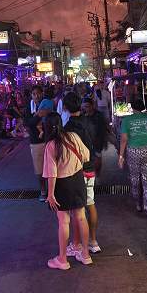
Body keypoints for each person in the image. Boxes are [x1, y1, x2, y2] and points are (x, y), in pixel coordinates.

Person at [41, 113, 92, 270]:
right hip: (77, 180)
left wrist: (50, 194)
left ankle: (62, 260)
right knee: (81, 218)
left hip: (62, 184)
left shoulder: (51, 145)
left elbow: (52, 173)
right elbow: (86, 155)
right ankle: (85, 255)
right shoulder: (73, 136)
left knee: (63, 221)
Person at [64, 92, 101, 256]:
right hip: (90, 167)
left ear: (65, 108)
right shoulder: (89, 122)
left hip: (76, 170)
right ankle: (93, 242)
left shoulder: (68, 128)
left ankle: (76, 244)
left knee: (76, 209)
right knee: (90, 203)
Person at [118, 99, 147, 217]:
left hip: (133, 152)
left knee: (135, 179)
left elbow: (124, 140)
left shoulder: (126, 121)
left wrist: (121, 156)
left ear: (132, 108)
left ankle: (138, 204)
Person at [25, 86, 53, 201]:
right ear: (31, 95)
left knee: (52, 167)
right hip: (36, 142)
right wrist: (38, 116)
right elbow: (28, 123)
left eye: (38, 93)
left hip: (50, 139)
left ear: (42, 94)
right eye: (34, 94)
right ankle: (43, 190)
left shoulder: (47, 104)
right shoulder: (29, 107)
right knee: (39, 169)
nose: (36, 96)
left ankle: (52, 190)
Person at [82, 96, 112, 176]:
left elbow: (103, 130)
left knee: (97, 159)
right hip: (87, 143)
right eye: (84, 107)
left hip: (97, 142)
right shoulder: (83, 116)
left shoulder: (98, 116)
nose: (86, 108)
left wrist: (103, 142)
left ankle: (97, 175)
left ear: (92, 106)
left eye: (87, 106)